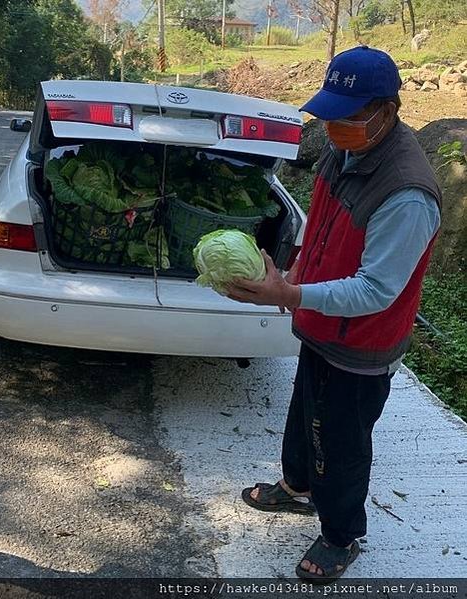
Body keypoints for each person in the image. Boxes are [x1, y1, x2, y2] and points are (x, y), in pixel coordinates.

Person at [226, 46, 441, 582]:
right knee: (305, 415)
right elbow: (320, 225)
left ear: (385, 111)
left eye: (346, 115)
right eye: (329, 112)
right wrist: (292, 273)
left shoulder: (407, 193)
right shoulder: (343, 150)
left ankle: (342, 534)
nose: (333, 125)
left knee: (341, 443)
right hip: (322, 324)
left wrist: (295, 295)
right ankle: (297, 488)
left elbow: (376, 291)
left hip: (361, 344)